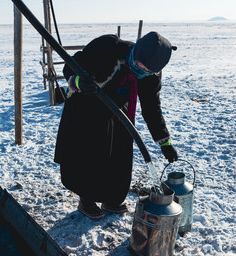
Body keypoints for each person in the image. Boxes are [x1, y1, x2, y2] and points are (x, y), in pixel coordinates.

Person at [54, 31, 178, 220]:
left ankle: (112, 198)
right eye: (138, 65)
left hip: (119, 110)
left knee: (120, 155)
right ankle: (86, 199)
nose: (140, 71)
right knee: (91, 154)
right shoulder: (108, 46)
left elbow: (152, 107)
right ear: (135, 51)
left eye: (146, 70)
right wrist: (77, 82)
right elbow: (71, 65)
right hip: (86, 106)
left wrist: (164, 142)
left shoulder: (151, 74)